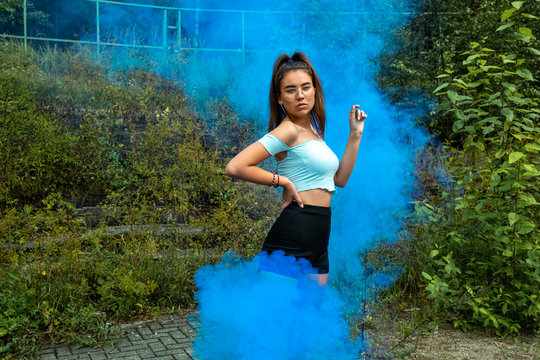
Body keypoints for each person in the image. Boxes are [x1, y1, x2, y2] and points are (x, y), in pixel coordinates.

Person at [224, 52, 366, 288]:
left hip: (319, 237)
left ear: (315, 91)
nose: (300, 95)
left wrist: (355, 134)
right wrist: (283, 182)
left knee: (309, 319)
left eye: (306, 87)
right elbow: (235, 166)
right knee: (276, 319)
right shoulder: (288, 130)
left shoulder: (313, 131)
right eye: (290, 90)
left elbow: (339, 179)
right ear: (280, 98)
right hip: (294, 232)